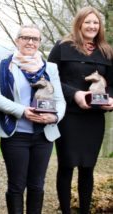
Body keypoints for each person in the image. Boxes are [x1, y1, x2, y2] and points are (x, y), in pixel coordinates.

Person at [0, 24, 66, 214]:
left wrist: (54, 117)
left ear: (39, 42)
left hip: (43, 136)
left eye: (35, 39)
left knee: (37, 185)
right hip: (15, 134)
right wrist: (21, 111)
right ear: (17, 40)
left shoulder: (50, 68)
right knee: (16, 186)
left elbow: (60, 100)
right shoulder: (4, 65)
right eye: (25, 37)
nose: (30, 42)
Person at [48, 6, 113, 214]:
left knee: (88, 168)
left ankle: (84, 211)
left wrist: (111, 99)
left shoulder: (107, 51)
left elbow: (112, 84)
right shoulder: (62, 47)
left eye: (96, 23)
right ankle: (66, 211)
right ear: (79, 24)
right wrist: (75, 95)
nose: (92, 26)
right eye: (88, 22)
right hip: (69, 117)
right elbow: (50, 79)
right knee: (66, 166)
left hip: (94, 120)